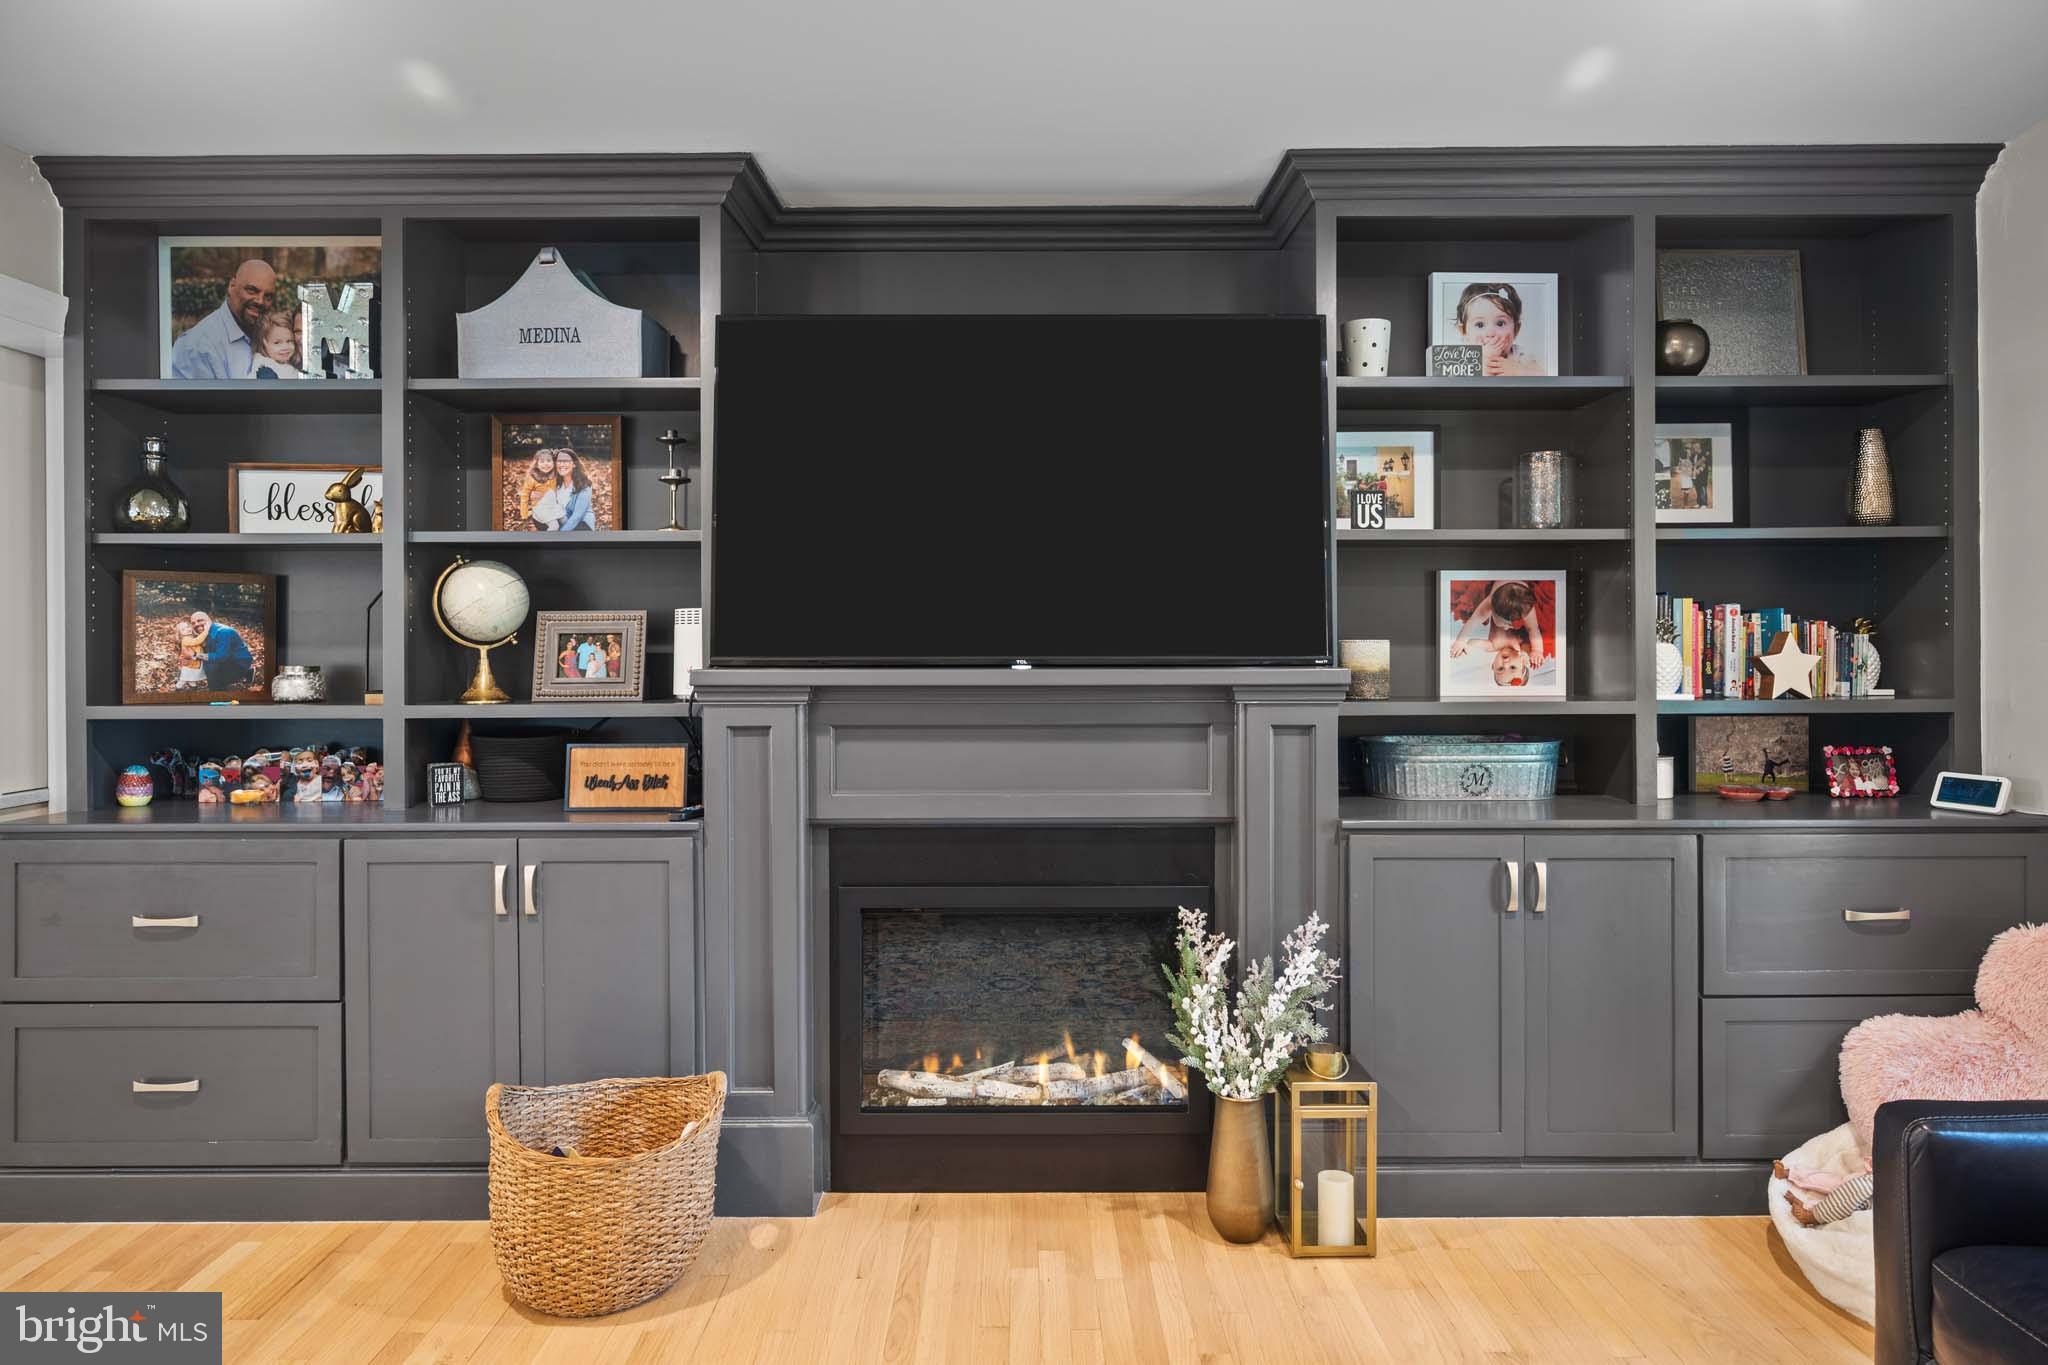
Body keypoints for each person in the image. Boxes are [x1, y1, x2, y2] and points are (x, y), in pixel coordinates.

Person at [169, 258, 276, 379]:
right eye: (252, 290)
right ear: (232, 286)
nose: (260, 301)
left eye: (268, 296)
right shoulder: (197, 347)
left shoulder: (267, 334)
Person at [1448, 580, 1552, 689]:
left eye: (1500, 668)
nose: (1506, 663)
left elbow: (1472, 642)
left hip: (1513, 594)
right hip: (1521, 586)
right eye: (1512, 667)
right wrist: (1537, 651)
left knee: (1531, 622)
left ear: (1493, 665)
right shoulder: (1521, 647)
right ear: (1523, 662)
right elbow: (1533, 631)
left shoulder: (1493, 645)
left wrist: (1463, 644)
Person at [1452, 282, 1544, 377]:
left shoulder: (1521, 356)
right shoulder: (1462, 359)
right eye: (1480, 325)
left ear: (1516, 329)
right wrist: (1485, 361)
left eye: (1500, 323)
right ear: (1463, 331)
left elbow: (1543, 376)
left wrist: (1519, 372)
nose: (1490, 333)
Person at [187, 610, 255, 691]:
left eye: (200, 620)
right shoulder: (205, 632)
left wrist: (196, 655)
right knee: (205, 660)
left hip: (239, 663)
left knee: (210, 666)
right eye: (193, 623)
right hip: (228, 658)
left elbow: (221, 657)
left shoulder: (223, 632)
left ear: (209, 620)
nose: (196, 624)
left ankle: (218, 690)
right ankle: (246, 673)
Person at [553, 448, 597, 531]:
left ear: (574, 464)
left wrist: (559, 535)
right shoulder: (555, 484)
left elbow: (577, 516)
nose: (561, 464)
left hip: (582, 524)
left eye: (566, 461)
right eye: (559, 461)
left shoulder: (584, 485)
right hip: (563, 522)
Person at [252, 311, 302, 379]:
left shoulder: (288, 365)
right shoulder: (265, 370)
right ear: (264, 343)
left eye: (289, 341)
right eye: (277, 343)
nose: (285, 347)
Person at [518, 449, 561, 528]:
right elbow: (524, 496)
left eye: (549, 461)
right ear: (537, 464)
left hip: (553, 506)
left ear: (553, 463)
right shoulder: (532, 478)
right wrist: (524, 515)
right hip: (540, 508)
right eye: (542, 461)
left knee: (565, 519)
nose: (546, 464)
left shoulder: (555, 475)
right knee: (554, 526)